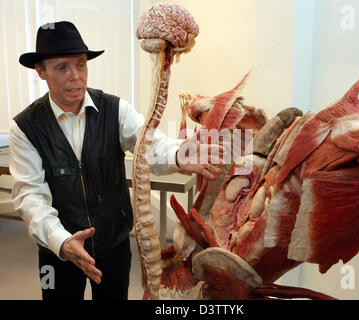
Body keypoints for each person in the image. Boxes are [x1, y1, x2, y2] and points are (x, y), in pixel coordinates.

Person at [10, 21, 224, 300]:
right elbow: (30, 196)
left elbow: (149, 142)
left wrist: (177, 154)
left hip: (113, 246)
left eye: (81, 64)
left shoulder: (114, 109)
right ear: (41, 71)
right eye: (62, 67)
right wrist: (61, 242)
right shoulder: (26, 127)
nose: (75, 76)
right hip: (58, 251)